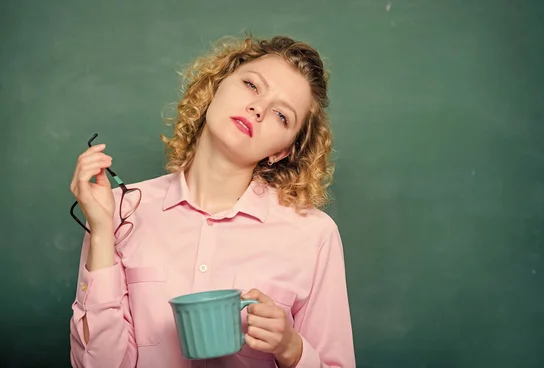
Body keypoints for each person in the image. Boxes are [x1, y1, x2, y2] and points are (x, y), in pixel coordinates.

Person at [68, 34, 355, 368]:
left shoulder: (314, 236)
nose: (258, 109)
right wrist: (102, 232)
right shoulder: (118, 209)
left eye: (282, 115)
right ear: (216, 86)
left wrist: (292, 349)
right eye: (251, 85)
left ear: (281, 151)